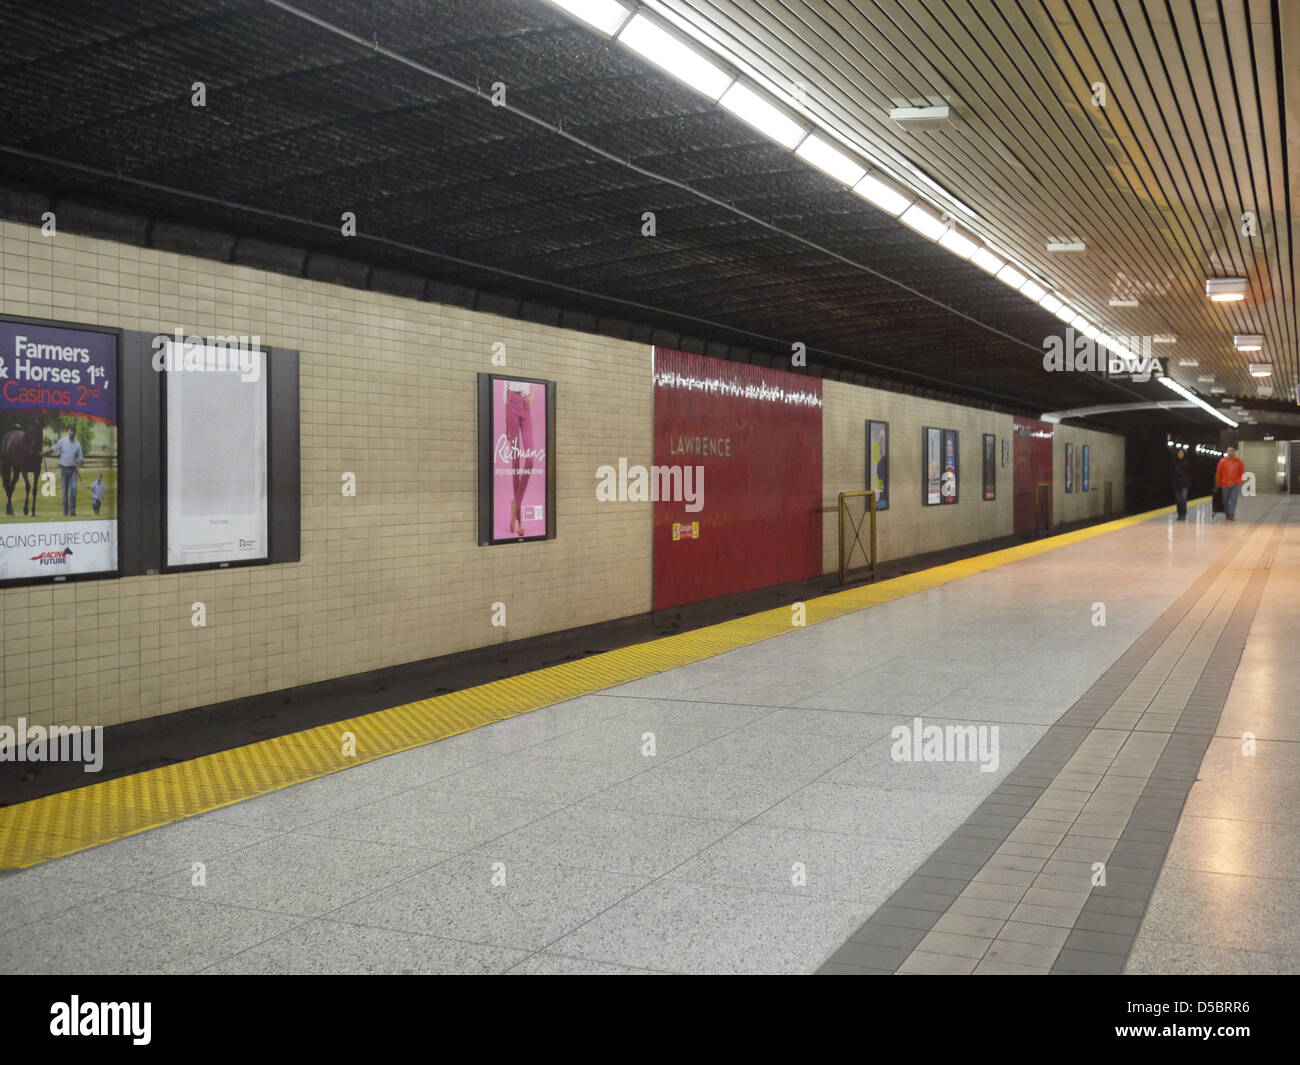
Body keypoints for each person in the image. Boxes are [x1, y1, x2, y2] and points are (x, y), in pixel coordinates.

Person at [43, 426, 84, 516]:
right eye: (70, 431)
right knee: (65, 491)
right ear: (68, 431)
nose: (71, 433)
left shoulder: (78, 445)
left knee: (73, 489)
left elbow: (81, 459)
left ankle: (72, 510)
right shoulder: (62, 441)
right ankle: (65, 512)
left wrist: (79, 465)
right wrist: (44, 453)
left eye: (73, 432)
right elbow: (53, 449)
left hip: (73, 470)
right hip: (64, 469)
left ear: (75, 433)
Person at [1215, 446, 1245, 522]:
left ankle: (1231, 514)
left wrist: (1239, 481)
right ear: (1227, 452)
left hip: (1235, 484)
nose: (1231, 452)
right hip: (1224, 484)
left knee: (1233, 499)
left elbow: (1242, 472)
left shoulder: (1239, 462)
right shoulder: (1222, 462)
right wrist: (1218, 483)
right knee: (1225, 500)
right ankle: (1227, 512)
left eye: (1232, 451)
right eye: (1229, 451)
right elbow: (1219, 473)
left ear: (1235, 452)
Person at [1171, 448, 1190, 520]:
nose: (1180, 455)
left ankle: (1183, 514)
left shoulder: (1187, 462)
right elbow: (1171, 472)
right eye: (1179, 453)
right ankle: (1179, 514)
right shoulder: (1174, 462)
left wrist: (1187, 481)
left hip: (1185, 484)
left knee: (1183, 499)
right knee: (1178, 500)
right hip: (1176, 484)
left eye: (1182, 453)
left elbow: (1189, 472)